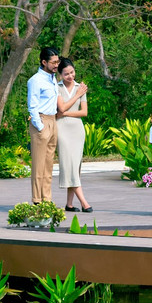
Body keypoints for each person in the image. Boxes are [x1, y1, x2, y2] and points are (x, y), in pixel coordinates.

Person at [55, 57, 91, 212]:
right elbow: (60, 108)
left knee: (75, 167)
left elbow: (84, 112)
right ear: (60, 74)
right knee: (68, 165)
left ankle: (69, 204)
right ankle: (84, 202)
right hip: (62, 130)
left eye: (72, 72)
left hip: (77, 131)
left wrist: (65, 113)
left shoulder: (80, 87)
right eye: (66, 74)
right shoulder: (56, 87)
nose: (70, 76)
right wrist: (76, 96)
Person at [27, 47, 60, 203]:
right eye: (53, 62)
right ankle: (37, 199)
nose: (56, 65)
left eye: (57, 61)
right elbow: (32, 106)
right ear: (44, 62)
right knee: (39, 165)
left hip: (52, 121)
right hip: (41, 122)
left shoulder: (52, 78)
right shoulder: (35, 80)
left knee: (49, 165)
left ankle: (47, 199)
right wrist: (40, 127)